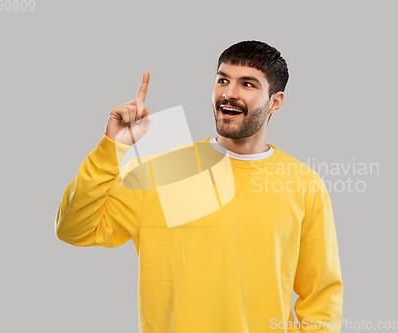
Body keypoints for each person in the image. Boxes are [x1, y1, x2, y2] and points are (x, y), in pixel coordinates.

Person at [55, 40, 343, 333]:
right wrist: (111, 148)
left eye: (248, 84)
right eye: (223, 80)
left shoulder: (303, 184)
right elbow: (73, 229)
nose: (229, 93)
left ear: (276, 102)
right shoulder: (163, 169)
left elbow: (321, 298)